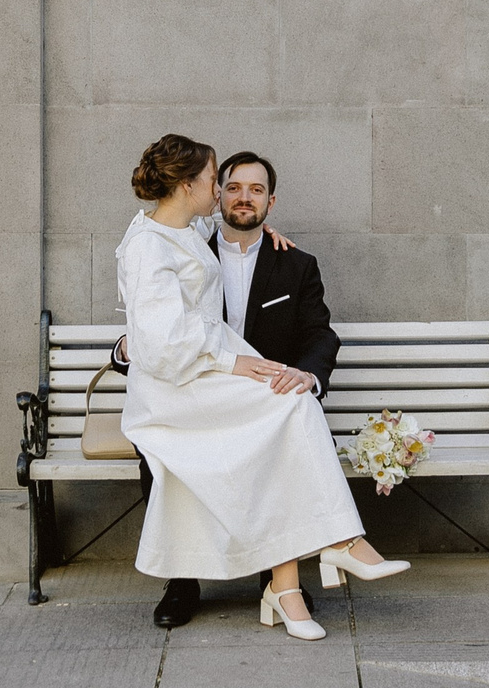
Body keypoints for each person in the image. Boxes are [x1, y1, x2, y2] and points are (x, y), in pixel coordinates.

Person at [116, 133, 408, 641]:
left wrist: (258, 233)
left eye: (255, 191)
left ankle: (289, 582)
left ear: (270, 202)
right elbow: (159, 338)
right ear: (194, 187)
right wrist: (231, 362)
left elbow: (319, 334)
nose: (233, 196)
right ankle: (330, 545)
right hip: (180, 387)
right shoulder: (161, 241)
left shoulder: (252, 248)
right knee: (290, 415)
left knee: (295, 404)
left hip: (208, 379)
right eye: (222, 185)